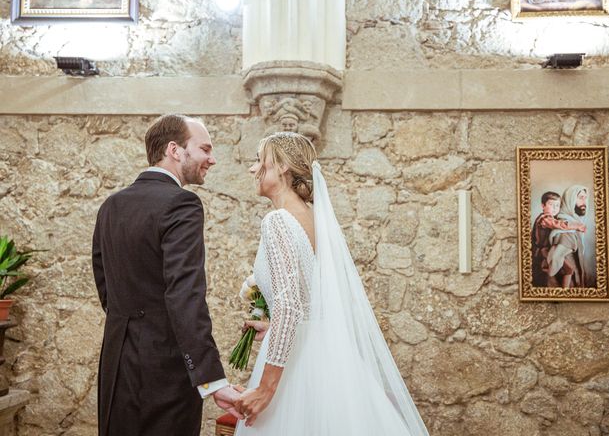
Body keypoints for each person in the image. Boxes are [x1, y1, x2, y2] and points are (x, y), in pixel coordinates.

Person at [233, 132, 429, 435]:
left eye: (260, 161)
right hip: (328, 358)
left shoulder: (278, 221)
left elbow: (288, 308)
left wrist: (265, 389)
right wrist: (272, 329)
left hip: (299, 374)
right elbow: (312, 302)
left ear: (283, 167)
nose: (253, 169)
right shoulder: (313, 218)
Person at [92, 114, 242, 436]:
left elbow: (105, 284)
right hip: (164, 372)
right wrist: (212, 380)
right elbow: (185, 294)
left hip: (116, 364)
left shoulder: (111, 205)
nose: (211, 159)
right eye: (204, 149)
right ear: (174, 150)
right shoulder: (182, 203)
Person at [531, 190, 586, 288]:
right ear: (543, 206)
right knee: (554, 271)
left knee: (569, 269)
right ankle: (558, 286)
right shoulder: (544, 218)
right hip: (543, 251)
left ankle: (564, 291)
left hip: (548, 249)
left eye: (557, 205)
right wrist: (576, 226)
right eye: (551, 205)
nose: (555, 208)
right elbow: (558, 225)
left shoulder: (552, 217)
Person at [547, 185, 591, 288]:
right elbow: (554, 260)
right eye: (580, 198)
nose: (584, 202)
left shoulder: (571, 224)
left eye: (585, 198)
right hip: (569, 285)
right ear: (569, 200)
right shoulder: (566, 232)